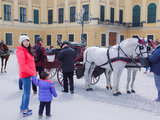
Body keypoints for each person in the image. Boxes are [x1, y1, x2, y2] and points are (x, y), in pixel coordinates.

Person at [16, 35, 37, 117]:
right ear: (21, 42)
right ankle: (25, 110)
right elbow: (23, 65)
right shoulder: (21, 51)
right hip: (25, 74)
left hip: (29, 73)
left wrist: (34, 72)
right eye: (24, 41)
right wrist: (32, 73)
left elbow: (32, 63)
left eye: (27, 40)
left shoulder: (27, 50)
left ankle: (22, 107)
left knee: (25, 92)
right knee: (27, 93)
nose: (26, 42)